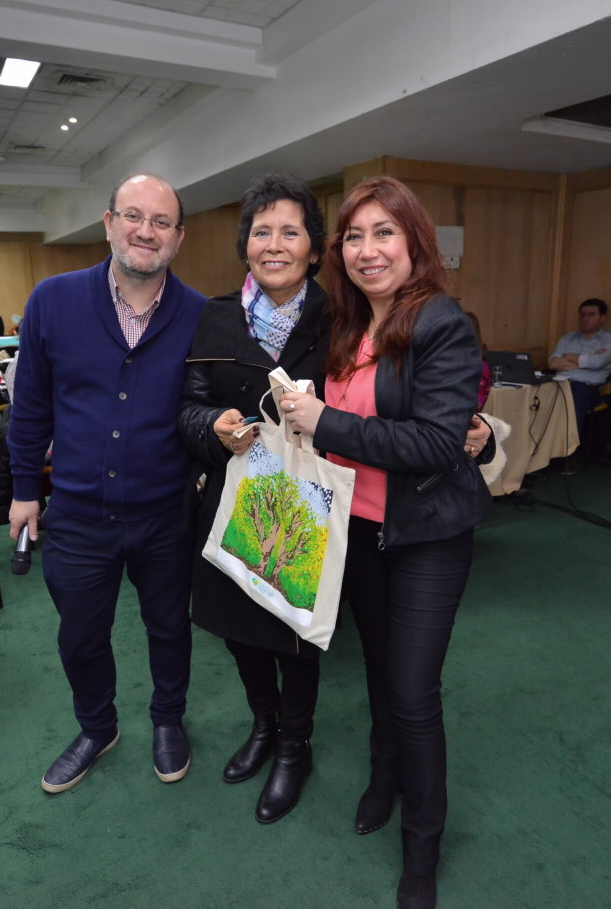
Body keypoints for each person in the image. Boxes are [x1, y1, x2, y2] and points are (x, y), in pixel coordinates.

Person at [277, 176, 493, 909]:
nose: (368, 250)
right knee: (377, 671)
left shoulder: (440, 322)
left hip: (426, 534)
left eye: (384, 233)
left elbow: (434, 443)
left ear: (414, 243)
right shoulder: (344, 326)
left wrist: (324, 423)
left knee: (412, 691)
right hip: (358, 530)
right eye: (354, 236)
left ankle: (422, 846)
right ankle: (384, 778)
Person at [8, 172, 205, 795]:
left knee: (169, 628)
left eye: (161, 222)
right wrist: (24, 490)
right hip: (77, 514)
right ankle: (97, 727)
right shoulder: (53, 299)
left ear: (178, 237)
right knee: (80, 636)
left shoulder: (201, 315)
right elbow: (30, 405)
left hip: (166, 514)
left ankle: (168, 719)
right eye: (133, 216)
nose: (146, 231)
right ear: (109, 223)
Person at [178, 173, 332, 824]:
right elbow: (186, 408)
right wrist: (211, 428)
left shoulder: (340, 320)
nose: (274, 245)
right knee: (240, 629)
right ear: (245, 245)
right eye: (261, 232)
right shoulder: (214, 317)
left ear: (314, 248)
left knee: (293, 633)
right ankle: (264, 725)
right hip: (230, 497)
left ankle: (296, 745)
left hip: (307, 504)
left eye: (290, 232)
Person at [548, 297, 611, 417]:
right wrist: (586, 362)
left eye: (591, 315)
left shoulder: (610, 341)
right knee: (538, 394)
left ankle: (571, 430)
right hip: (559, 383)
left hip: (587, 388)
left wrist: (568, 357)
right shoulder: (567, 338)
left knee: (573, 400)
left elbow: (597, 362)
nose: (585, 318)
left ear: (603, 318)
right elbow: (553, 363)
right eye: (582, 314)